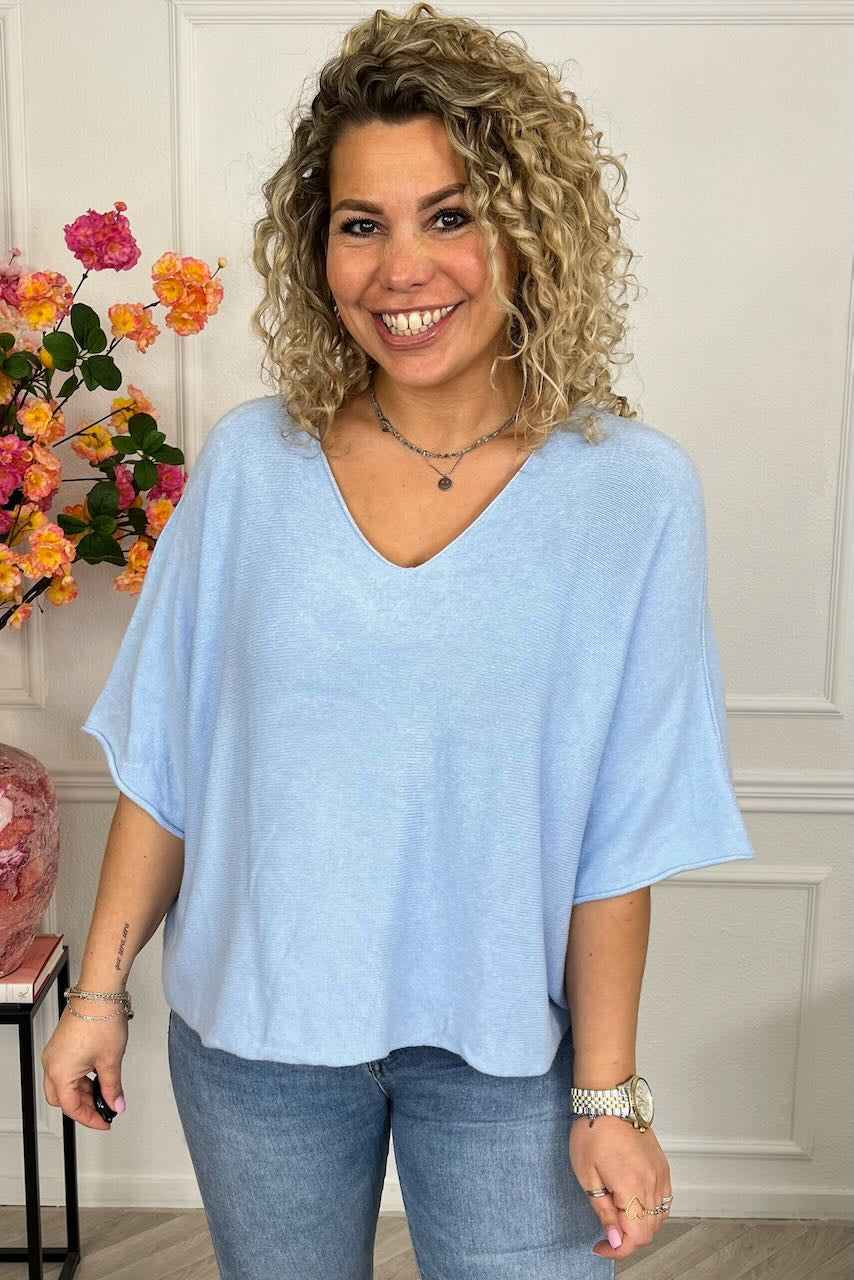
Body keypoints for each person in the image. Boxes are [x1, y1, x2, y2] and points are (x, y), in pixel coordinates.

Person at [40, 4, 757, 1278]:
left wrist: (606, 1093)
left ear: (529, 232)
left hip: (505, 1055)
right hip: (256, 1047)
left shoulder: (632, 493)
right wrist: (96, 992)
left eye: (449, 215)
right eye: (359, 224)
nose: (399, 270)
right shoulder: (252, 467)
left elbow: (622, 819)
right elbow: (168, 759)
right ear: (318, 249)